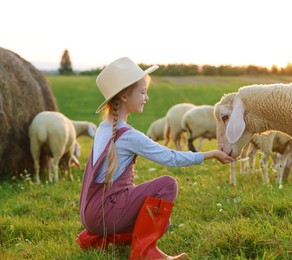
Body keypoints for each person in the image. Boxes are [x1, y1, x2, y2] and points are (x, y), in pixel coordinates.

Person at [76, 57, 235, 259]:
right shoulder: (128, 135)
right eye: (142, 92)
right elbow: (170, 158)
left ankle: (96, 239)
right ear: (124, 96)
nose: (146, 97)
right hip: (104, 214)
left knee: (159, 219)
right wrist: (210, 154)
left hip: (92, 214)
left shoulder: (104, 129)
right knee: (167, 185)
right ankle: (146, 252)